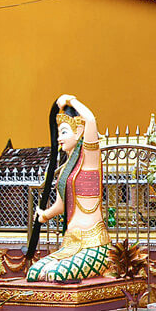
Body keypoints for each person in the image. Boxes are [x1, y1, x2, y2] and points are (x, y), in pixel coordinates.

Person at [27, 95, 111, 282]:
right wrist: (44, 215)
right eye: (59, 133)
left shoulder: (90, 157)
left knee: (55, 274)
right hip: (71, 243)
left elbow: (90, 119)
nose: (59, 138)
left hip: (93, 245)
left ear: (79, 131)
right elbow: (61, 205)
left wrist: (70, 100)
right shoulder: (66, 168)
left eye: (64, 132)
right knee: (34, 273)